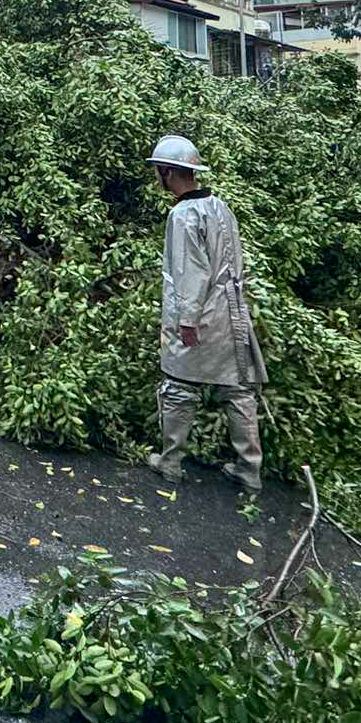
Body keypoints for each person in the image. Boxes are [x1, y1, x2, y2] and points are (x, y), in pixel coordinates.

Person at [145, 135, 265, 491]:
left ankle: (170, 462)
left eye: (158, 171)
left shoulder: (182, 215)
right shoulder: (219, 206)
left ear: (167, 172)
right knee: (238, 390)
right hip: (232, 312)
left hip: (200, 315)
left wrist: (187, 321)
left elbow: (190, 272)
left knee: (180, 384)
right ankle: (249, 469)